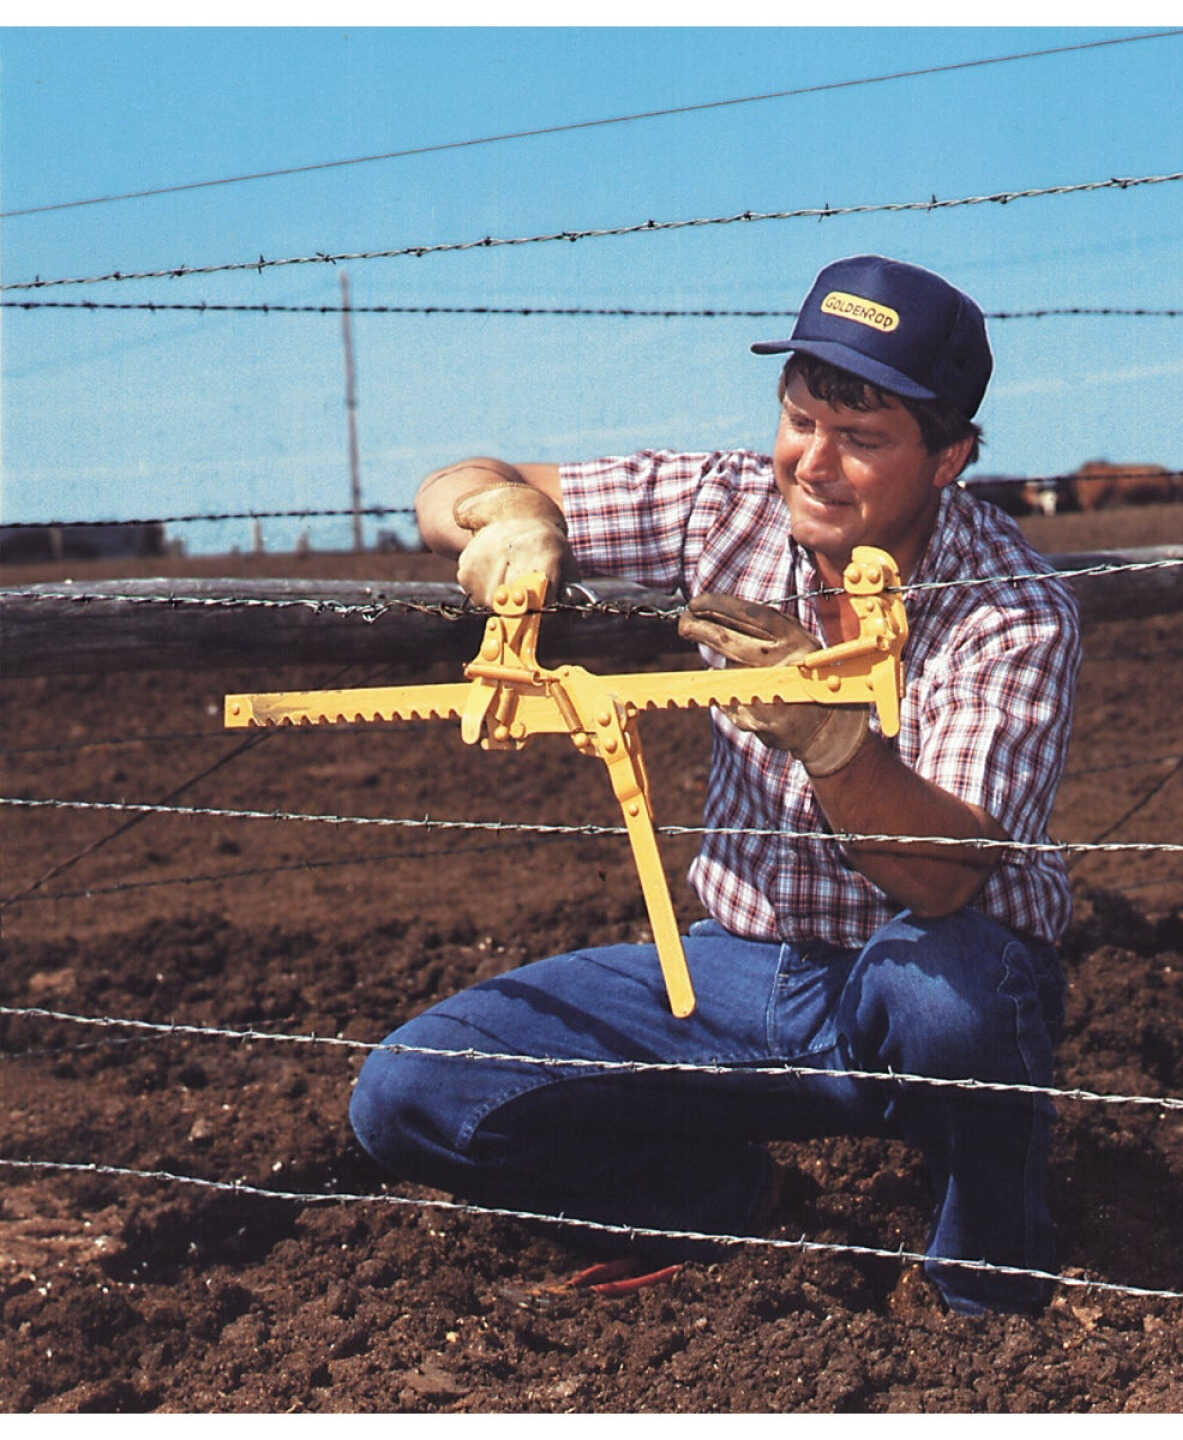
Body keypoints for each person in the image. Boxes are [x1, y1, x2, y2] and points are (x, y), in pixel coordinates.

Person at [349, 254, 1082, 1316]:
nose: (814, 465)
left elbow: (941, 880)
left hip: (912, 974)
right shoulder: (722, 505)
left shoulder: (1013, 607)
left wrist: (832, 741)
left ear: (948, 460)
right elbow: (455, 483)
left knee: (953, 1001)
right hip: (735, 975)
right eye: (799, 422)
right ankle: (707, 1202)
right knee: (412, 1092)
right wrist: (507, 521)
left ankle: (987, 1277)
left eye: (862, 440)